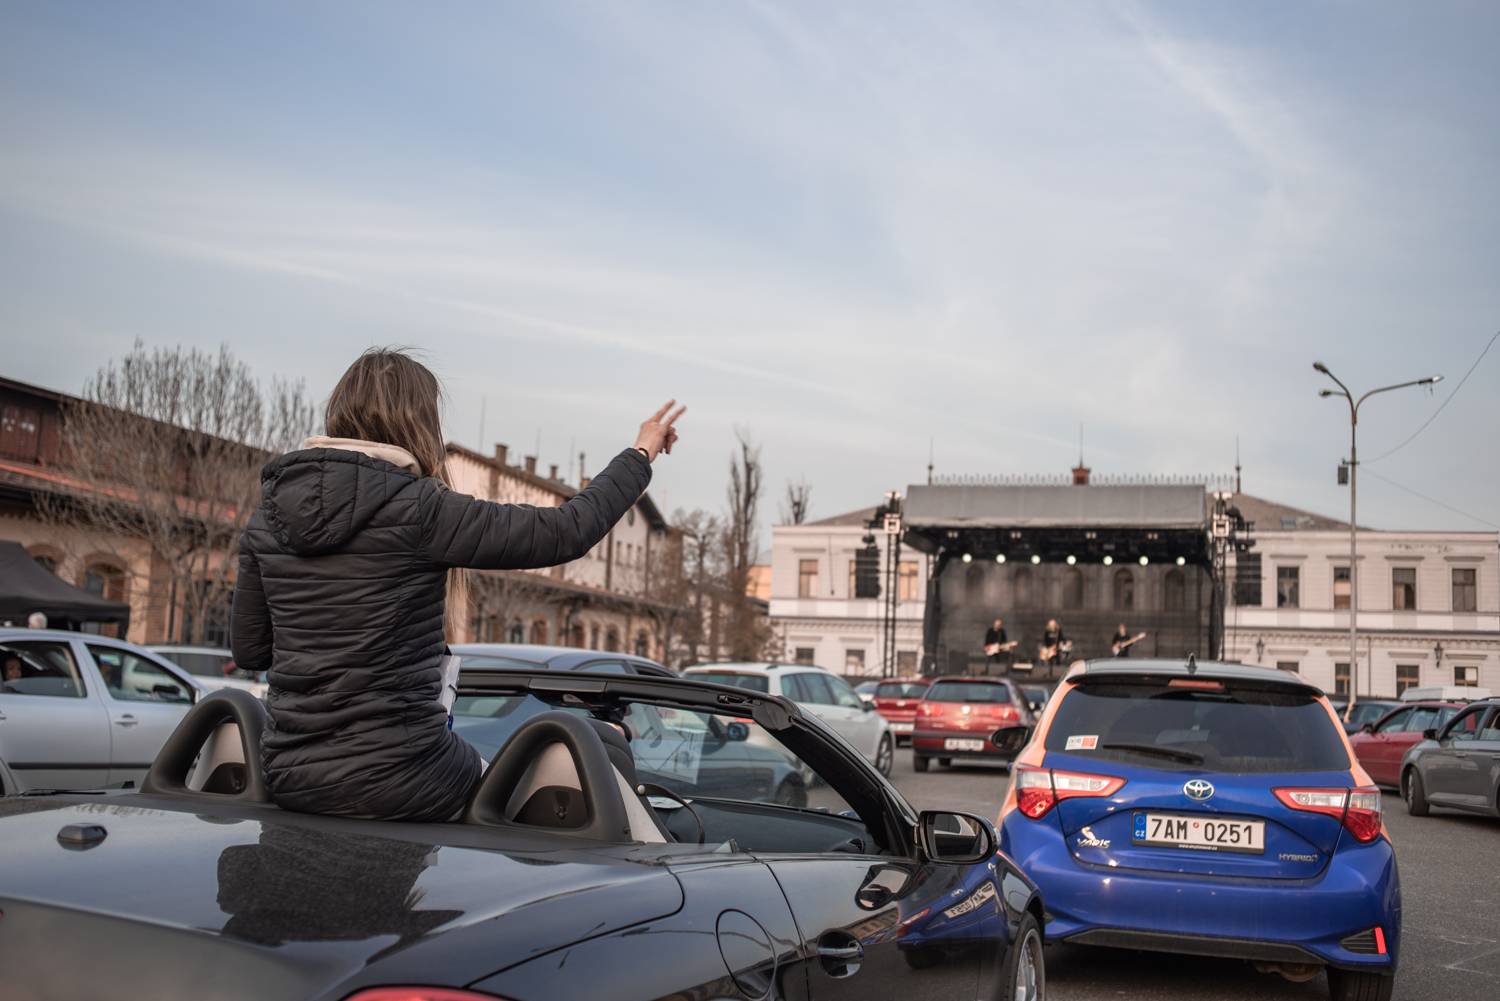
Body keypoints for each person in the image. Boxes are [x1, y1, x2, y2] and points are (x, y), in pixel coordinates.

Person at [231, 347, 683, 822]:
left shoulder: (269, 517)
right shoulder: (419, 509)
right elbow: (566, 531)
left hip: (289, 776)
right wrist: (640, 453)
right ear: (419, 422)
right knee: (577, 774)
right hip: (403, 776)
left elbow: (251, 652)